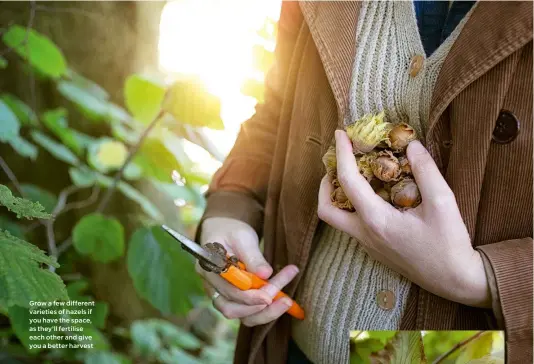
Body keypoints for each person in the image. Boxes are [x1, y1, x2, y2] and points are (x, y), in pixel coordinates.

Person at [194, 1, 533, 364]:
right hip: (298, 343)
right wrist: (232, 206)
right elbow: (280, 107)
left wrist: (478, 278)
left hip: (460, 353)